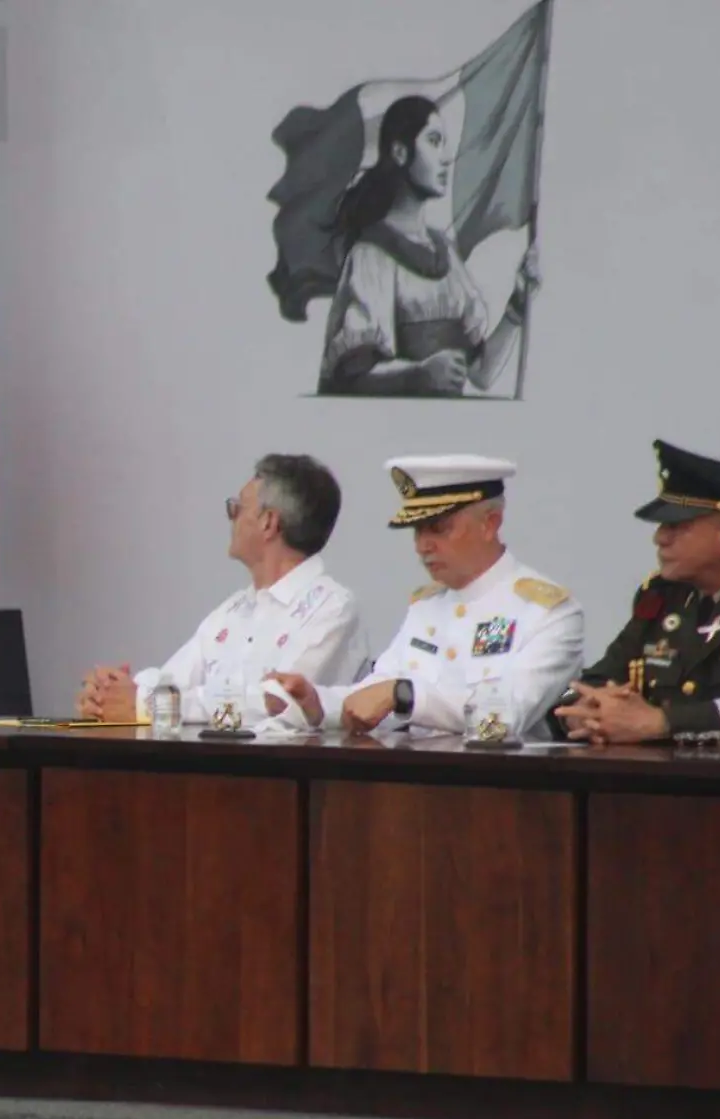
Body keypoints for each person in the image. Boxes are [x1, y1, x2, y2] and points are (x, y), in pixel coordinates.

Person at [269, 456, 584, 736]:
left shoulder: (547, 612)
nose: (422, 546)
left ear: (490, 524)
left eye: (438, 528)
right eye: (418, 531)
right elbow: (376, 690)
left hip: (502, 790)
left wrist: (405, 695)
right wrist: (317, 703)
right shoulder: (428, 606)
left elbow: (504, 716)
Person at [77, 454, 366, 726]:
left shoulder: (332, 607)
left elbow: (275, 703)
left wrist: (148, 704)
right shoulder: (234, 609)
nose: (231, 519)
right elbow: (175, 678)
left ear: (269, 523)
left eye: (236, 509)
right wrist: (113, 693)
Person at [316, 96, 539, 396]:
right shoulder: (371, 255)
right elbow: (351, 379)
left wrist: (517, 306)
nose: (446, 157)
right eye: (434, 141)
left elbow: (481, 374)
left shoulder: (444, 252)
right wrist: (417, 375)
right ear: (399, 152)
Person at [555, 441, 720, 745]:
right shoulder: (662, 597)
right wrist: (580, 707)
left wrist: (664, 722)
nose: (659, 538)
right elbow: (596, 677)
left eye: (676, 526)